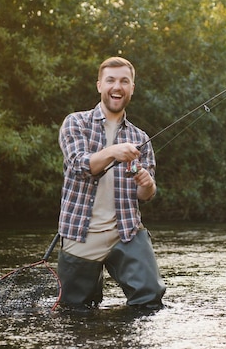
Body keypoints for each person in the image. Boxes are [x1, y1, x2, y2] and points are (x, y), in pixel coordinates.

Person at [57, 56, 166, 310]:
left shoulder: (141, 138)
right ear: (99, 85)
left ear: (132, 88)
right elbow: (79, 165)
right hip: (79, 233)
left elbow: (145, 194)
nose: (117, 87)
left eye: (124, 81)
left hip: (126, 232)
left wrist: (147, 183)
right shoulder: (76, 123)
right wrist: (113, 152)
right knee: (74, 312)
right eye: (111, 81)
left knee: (150, 301)